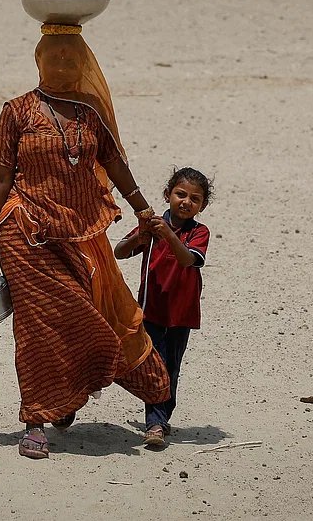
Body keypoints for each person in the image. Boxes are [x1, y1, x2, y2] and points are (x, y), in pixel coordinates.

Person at [0, 23, 170, 460]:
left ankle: (83, 396)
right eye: (54, 56)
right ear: (39, 59)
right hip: (24, 231)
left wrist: (142, 209)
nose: (62, 64)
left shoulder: (90, 114)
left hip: (82, 234)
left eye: (71, 58)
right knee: (38, 327)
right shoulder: (17, 111)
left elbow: (114, 163)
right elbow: (2, 175)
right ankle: (36, 421)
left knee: (99, 317)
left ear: (81, 63)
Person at [114, 167, 212, 449]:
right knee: (151, 364)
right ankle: (154, 420)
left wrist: (167, 235)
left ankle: (159, 420)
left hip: (181, 314)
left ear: (202, 206)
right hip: (151, 309)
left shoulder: (199, 232)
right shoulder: (154, 225)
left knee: (171, 368)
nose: (186, 202)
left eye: (195, 199)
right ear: (168, 194)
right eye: (181, 194)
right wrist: (141, 236)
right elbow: (120, 252)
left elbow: (187, 260)